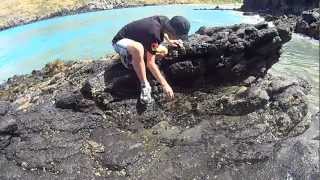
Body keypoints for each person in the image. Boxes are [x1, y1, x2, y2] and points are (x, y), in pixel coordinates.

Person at [112, 15, 190, 104]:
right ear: (171, 30)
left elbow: (164, 33)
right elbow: (150, 63)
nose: (179, 38)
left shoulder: (165, 21)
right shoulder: (154, 33)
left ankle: (136, 60)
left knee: (163, 51)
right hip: (121, 42)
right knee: (138, 48)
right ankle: (144, 85)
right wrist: (165, 84)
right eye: (178, 36)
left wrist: (170, 42)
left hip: (139, 41)